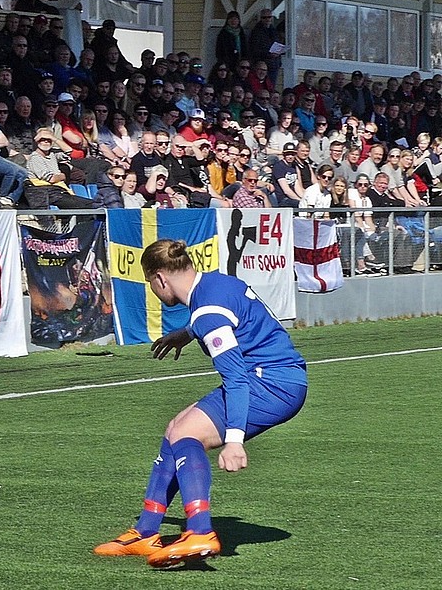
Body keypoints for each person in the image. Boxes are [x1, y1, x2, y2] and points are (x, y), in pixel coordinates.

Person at [93, 238, 308, 568]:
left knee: (186, 434)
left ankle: (199, 531)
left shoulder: (207, 313)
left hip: (272, 384)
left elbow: (235, 378)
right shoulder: (214, 283)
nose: (153, 289)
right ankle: (146, 532)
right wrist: (187, 332)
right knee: (175, 428)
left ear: (160, 278)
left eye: (150, 282)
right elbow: (227, 311)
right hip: (278, 377)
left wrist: (234, 441)